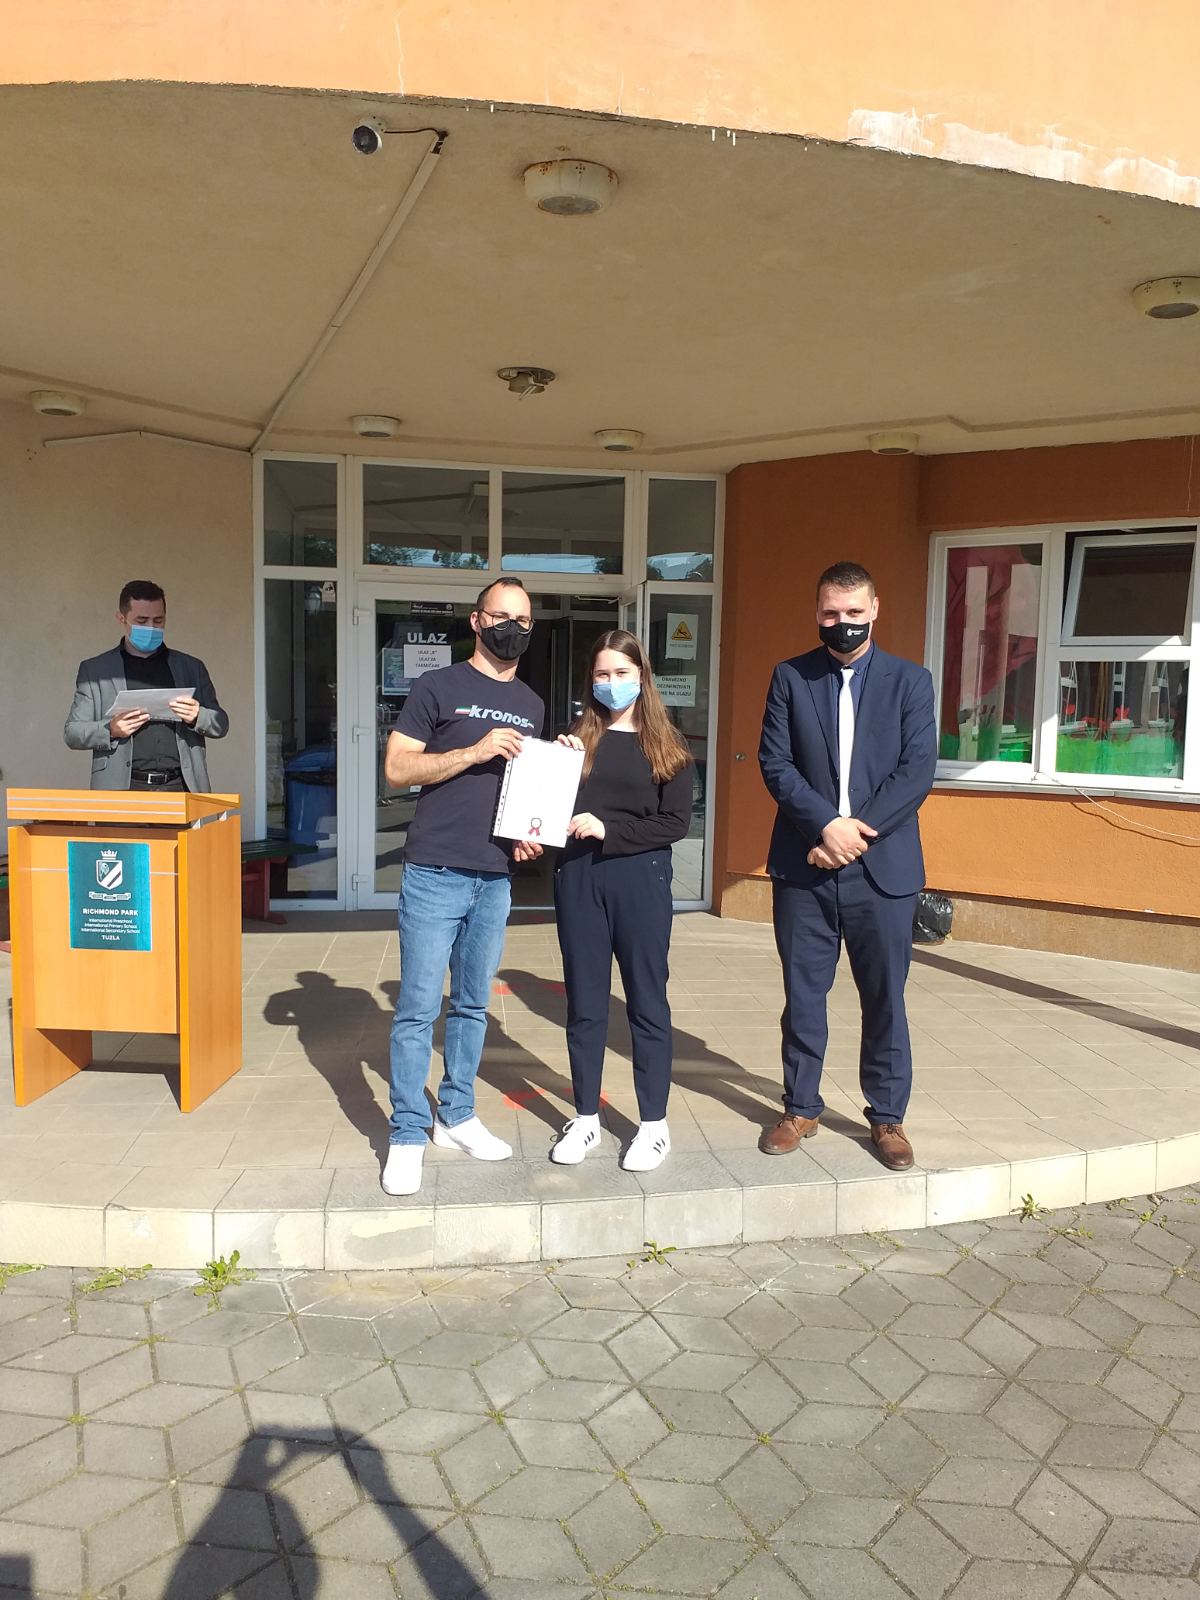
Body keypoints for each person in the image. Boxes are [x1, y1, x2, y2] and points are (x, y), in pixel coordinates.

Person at [757, 561, 937, 1170]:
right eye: (832, 613)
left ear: (875, 610)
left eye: (854, 612)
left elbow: (916, 772)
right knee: (804, 996)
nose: (843, 623)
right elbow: (776, 763)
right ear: (817, 613)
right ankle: (800, 1107)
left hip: (882, 873)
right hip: (804, 867)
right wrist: (824, 826)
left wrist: (851, 835)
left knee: (885, 998)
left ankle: (887, 1117)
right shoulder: (791, 677)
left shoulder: (910, 682)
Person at [381, 577, 545, 1196]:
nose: (512, 629)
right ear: (477, 621)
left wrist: (529, 834)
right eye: (502, 617)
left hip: (495, 875)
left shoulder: (531, 703)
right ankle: (406, 1132)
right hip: (436, 870)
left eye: (523, 621)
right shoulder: (437, 686)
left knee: (474, 1005)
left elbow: (523, 790)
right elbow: (397, 769)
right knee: (418, 1008)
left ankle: (456, 1114)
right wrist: (474, 751)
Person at [550, 630, 693, 1173]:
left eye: (622, 673)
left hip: (640, 881)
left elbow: (674, 823)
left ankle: (653, 1125)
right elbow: (547, 809)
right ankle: (585, 1117)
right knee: (585, 1003)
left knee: (646, 1003)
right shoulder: (576, 740)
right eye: (602, 674)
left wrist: (609, 830)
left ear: (642, 677)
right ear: (591, 680)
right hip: (580, 878)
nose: (611, 683)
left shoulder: (667, 745)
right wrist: (554, 766)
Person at [64, 580, 228, 791]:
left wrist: (198, 716)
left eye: (158, 620)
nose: (151, 628)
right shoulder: (96, 670)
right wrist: (110, 729)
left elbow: (220, 724)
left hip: (180, 785)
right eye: (141, 621)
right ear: (121, 619)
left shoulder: (190, 667)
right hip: (122, 788)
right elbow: (73, 733)